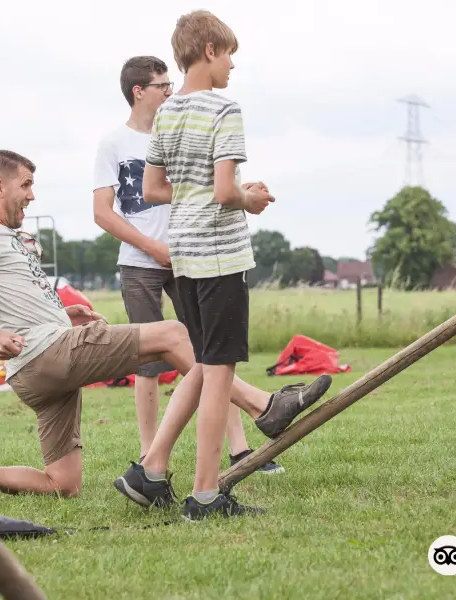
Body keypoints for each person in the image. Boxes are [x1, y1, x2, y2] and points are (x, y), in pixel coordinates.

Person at [0, 149, 331, 499]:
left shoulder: (5, 236)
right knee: (177, 334)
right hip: (46, 354)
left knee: (62, 484)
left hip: (34, 370)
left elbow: (10, 300)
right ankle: (264, 407)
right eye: (25, 185)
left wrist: (64, 314)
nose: (32, 195)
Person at [113, 10, 331, 519]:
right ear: (209, 50)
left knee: (207, 362)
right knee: (218, 372)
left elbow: (152, 190)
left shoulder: (166, 113)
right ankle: (206, 494)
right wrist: (248, 198)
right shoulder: (225, 109)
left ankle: (151, 469)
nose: (233, 65)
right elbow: (226, 189)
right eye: (229, 53)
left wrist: (204, 194)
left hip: (185, 255)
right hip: (221, 255)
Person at [92, 55, 284, 475]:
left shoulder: (176, 126)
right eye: (161, 85)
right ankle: (148, 456)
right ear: (139, 91)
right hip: (141, 262)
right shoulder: (113, 144)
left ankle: (240, 448)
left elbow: (201, 186)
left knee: (207, 354)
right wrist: (149, 246)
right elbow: (103, 213)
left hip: (187, 253)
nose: (168, 90)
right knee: (148, 364)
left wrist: (236, 189)